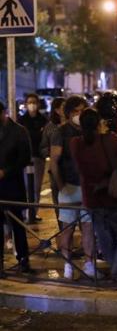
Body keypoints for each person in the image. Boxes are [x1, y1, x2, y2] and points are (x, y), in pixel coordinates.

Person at [70, 109, 117, 283]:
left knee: (104, 237)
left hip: (91, 198)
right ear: (99, 123)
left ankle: (116, 270)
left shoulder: (75, 143)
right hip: (114, 195)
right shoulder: (111, 139)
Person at [50, 95, 97, 279]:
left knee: (88, 228)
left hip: (87, 186)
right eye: (75, 111)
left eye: (82, 111)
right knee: (67, 229)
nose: (79, 115)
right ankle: (68, 265)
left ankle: (89, 264)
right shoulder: (60, 132)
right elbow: (54, 162)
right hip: (69, 186)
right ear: (69, 113)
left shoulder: (90, 131)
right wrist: (61, 186)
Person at [0, 102, 34, 275]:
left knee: (17, 224)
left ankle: (23, 259)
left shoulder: (19, 131)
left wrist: (5, 171)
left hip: (13, 185)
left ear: (3, 113)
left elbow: (25, 157)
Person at [18, 93, 48, 222]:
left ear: (38, 104)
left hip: (38, 157)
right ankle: (25, 213)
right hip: (25, 159)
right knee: (25, 186)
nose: (32, 105)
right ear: (25, 104)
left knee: (36, 187)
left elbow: (43, 138)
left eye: (34, 102)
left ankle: (33, 212)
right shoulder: (21, 121)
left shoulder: (43, 120)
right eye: (29, 102)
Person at [40, 97, 66, 229]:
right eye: (62, 107)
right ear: (56, 110)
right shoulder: (50, 127)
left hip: (72, 171)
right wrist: (52, 151)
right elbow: (43, 147)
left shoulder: (73, 125)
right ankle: (62, 230)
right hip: (56, 169)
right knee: (59, 203)